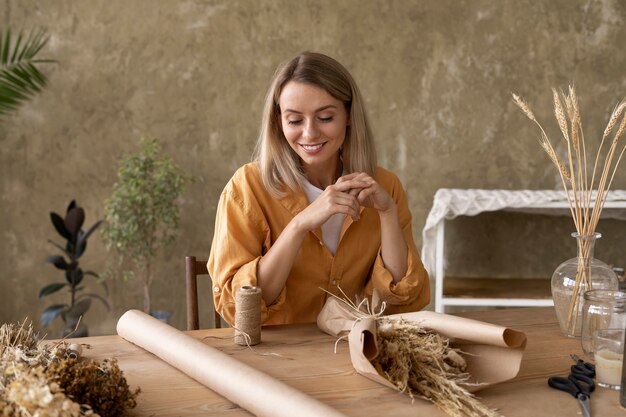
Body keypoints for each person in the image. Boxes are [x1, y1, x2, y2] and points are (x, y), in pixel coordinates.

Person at [208, 51, 429, 325]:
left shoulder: (385, 186)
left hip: (352, 351)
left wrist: (387, 213)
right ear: (278, 122)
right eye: (295, 120)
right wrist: (300, 224)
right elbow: (237, 308)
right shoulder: (246, 189)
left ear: (349, 115)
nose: (310, 133)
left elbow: (403, 300)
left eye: (325, 117)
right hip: (273, 357)